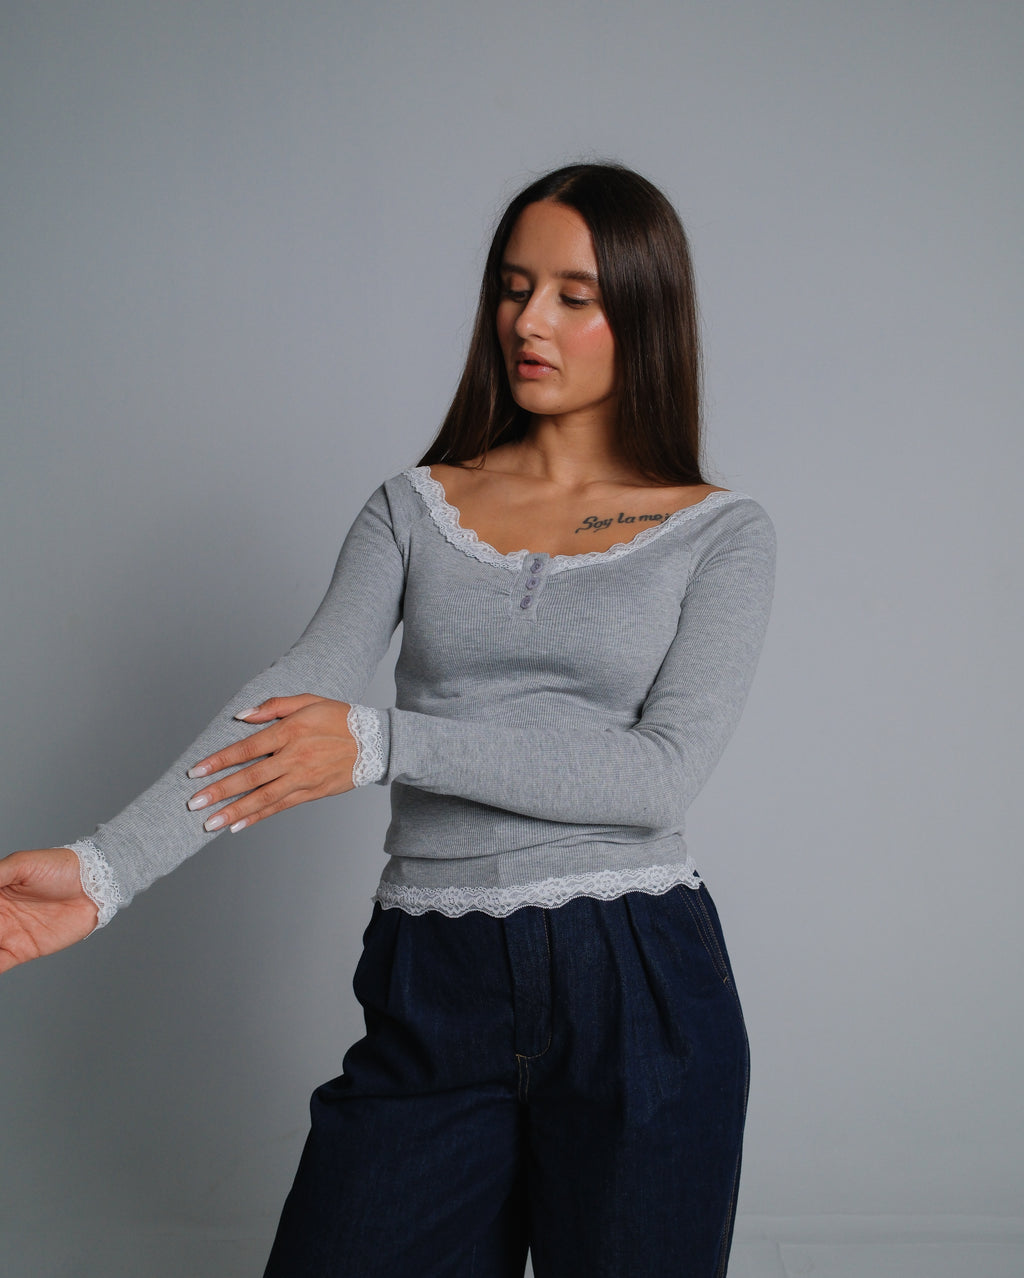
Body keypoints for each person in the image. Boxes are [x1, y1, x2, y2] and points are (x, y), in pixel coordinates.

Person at [0, 163, 776, 1277]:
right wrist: (105, 870)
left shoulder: (722, 534)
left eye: (573, 293)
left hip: (636, 980)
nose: (528, 321)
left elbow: (655, 776)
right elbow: (295, 693)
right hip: (435, 975)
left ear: (643, 312)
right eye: (513, 287)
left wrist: (384, 742)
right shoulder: (415, 505)